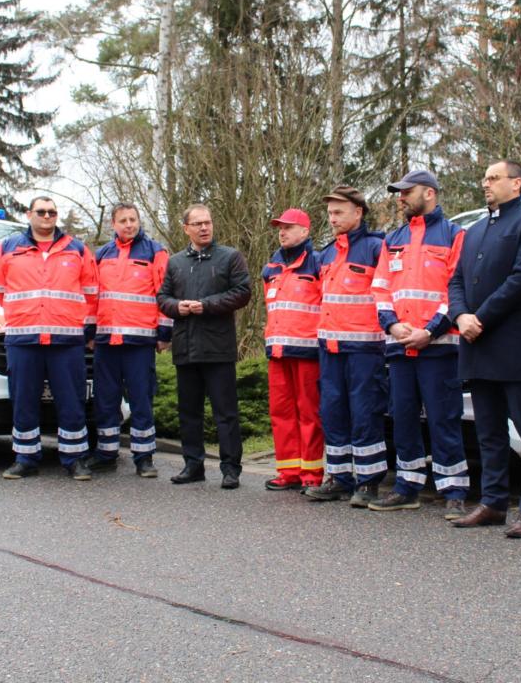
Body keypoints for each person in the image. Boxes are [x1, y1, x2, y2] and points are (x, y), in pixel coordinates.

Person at [447, 160, 521, 538]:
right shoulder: (474, 231)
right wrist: (460, 317)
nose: (485, 183)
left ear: (517, 183)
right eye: (485, 178)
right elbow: (455, 280)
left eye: (494, 178)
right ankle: (492, 503)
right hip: (476, 344)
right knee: (488, 431)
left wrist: (481, 317)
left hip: (513, 343)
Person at [368, 170, 469, 518]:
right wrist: (393, 325)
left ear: (429, 193)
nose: (400, 198)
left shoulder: (455, 235)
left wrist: (430, 331)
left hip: (439, 346)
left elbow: (456, 288)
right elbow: (380, 288)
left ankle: (454, 490)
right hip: (399, 346)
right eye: (398, 193)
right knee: (403, 416)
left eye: (406, 192)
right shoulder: (392, 238)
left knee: (444, 417)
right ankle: (407, 486)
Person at [0, 196, 99, 480]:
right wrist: (24, 312)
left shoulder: (77, 249)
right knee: (24, 399)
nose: (47, 216)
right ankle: (25, 458)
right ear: (29, 214)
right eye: (41, 211)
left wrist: (82, 326)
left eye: (52, 212)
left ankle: (75, 459)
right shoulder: (9, 248)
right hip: (24, 338)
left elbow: (91, 292)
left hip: (66, 340)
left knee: (71, 401)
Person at [303, 185, 389, 507]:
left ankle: (368, 483)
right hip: (330, 348)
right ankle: (339, 477)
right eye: (329, 213)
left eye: (339, 212)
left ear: (358, 212)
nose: (333, 218)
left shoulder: (375, 247)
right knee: (332, 412)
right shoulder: (326, 253)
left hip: (365, 349)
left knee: (365, 413)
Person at [158, 204, 252, 489]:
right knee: (189, 411)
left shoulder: (230, 257)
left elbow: (242, 292)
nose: (204, 228)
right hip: (185, 348)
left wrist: (205, 305)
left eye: (208, 222)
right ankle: (193, 465)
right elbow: (162, 298)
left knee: (225, 412)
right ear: (185, 228)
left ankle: (230, 468)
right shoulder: (174, 262)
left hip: (217, 347)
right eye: (197, 223)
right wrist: (177, 307)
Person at [90, 202, 172, 478]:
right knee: (106, 399)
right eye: (123, 220)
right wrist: (90, 334)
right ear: (113, 224)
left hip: (140, 342)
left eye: (133, 219)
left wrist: (164, 334)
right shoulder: (102, 254)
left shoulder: (154, 252)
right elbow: (92, 296)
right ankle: (106, 452)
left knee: (141, 400)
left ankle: (144, 457)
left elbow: (164, 294)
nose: (129, 224)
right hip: (106, 341)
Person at [261, 208, 325, 491]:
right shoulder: (271, 268)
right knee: (281, 412)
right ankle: (288, 471)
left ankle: (312, 473)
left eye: (288, 227)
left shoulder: (318, 263)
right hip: (277, 351)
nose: (282, 232)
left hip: (308, 352)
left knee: (309, 413)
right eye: (280, 228)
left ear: (305, 232)